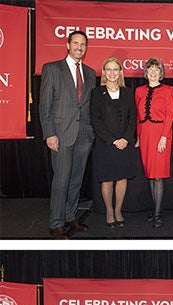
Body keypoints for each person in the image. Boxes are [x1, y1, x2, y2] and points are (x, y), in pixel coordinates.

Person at [39, 31, 96, 239]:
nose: (79, 47)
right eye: (76, 43)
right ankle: (55, 223)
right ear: (68, 44)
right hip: (61, 135)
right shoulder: (52, 68)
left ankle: (71, 217)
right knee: (61, 180)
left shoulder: (90, 73)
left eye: (83, 44)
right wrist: (49, 134)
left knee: (76, 179)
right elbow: (45, 105)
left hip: (84, 135)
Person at [90, 56, 136, 228]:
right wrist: (113, 140)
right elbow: (96, 121)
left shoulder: (128, 92)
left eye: (115, 69)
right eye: (108, 69)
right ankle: (109, 212)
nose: (112, 73)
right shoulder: (96, 93)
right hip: (106, 144)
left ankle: (118, 210)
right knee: (108, 179)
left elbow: (133, 118)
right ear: (104, 72)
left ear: (120, 72)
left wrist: (125, 138)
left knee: (122, 178)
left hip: (125, 143)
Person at [135, 58, 173, 228]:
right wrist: (138, 136)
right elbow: (138, 116)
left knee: (158, 176)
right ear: (146, 72)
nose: (153, 72)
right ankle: (155, 210)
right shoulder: (138, 91)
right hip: (145, 135)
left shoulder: (169, 90)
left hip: (161, 134)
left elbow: (170, 115)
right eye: (150, 69)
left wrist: (164, 137)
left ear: (161, 73)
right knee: (150, 175)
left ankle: (158, 214)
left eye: (156, 69)